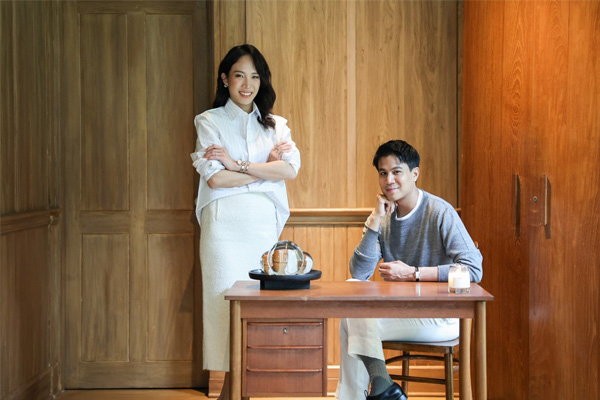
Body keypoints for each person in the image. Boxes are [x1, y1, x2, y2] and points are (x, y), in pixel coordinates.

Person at [190, 44, 301, 400]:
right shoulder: (209, 121)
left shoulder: (276, 125)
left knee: (257, 304)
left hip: (262, 225)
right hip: (222, 225)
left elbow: (290, 169)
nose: (247, 84)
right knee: (222, 303)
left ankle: (243, 389)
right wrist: (264, 170)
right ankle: (230, 390)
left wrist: (237, 165)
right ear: (225, 78)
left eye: (255, 77)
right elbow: (214, 179)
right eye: (239, 75)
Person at [336, 140, 482, 400]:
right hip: (401, 311)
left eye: (396, 172)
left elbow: (473, 269)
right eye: (383, 173)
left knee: (351, 323)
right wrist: (375, 220)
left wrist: (414, 273)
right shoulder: (383, 217)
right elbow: (359, 274)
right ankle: (382, 388)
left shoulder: (439, 211)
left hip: (442, 317)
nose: (389, 180)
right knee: (352, 302)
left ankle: (381, 389)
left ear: (414, 174)